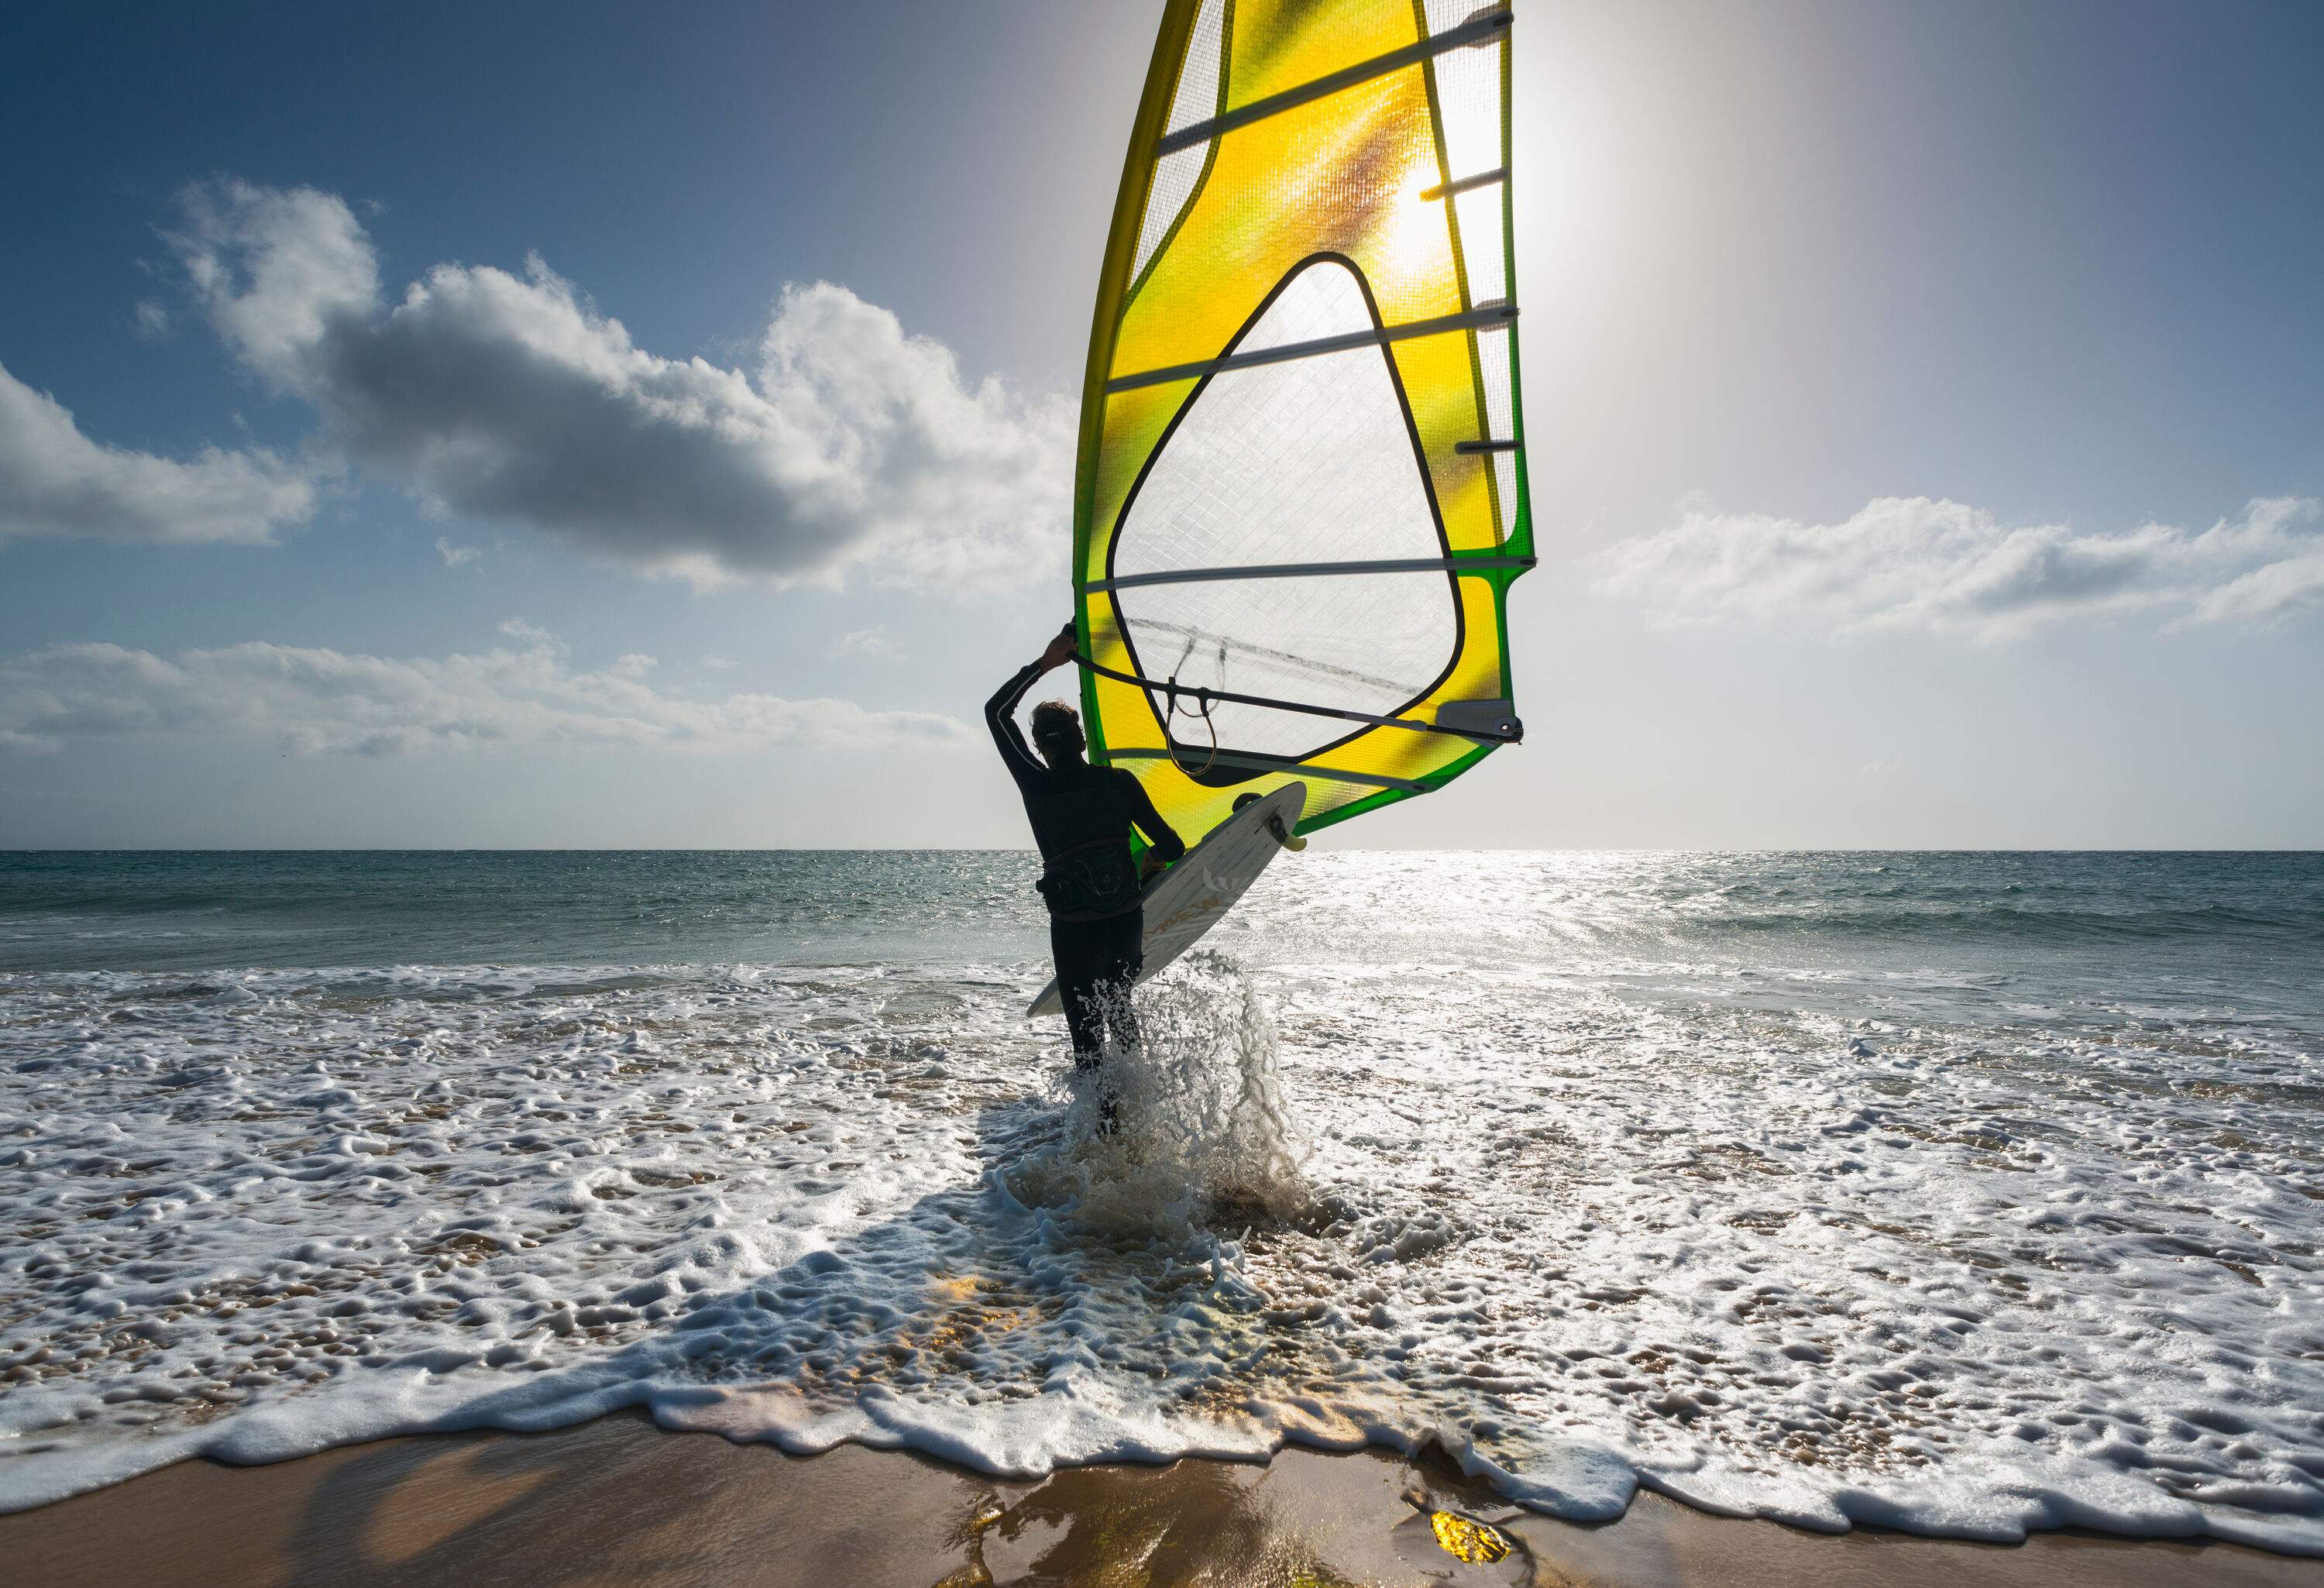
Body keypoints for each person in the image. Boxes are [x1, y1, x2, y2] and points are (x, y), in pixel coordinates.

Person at [988, 622, 1185, 1113]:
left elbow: (995, 712)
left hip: (1074, 927)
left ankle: (1103, 1137)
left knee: (1087, 1038)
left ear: (1039, 746)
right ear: (1081, 739)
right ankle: (1142, 1116)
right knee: (1122, 1014)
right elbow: (1172, 844)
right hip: (1124, 917)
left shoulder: (1037, 785)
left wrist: (1046, 662)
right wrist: (1150, 870)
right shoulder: (1118, 782)